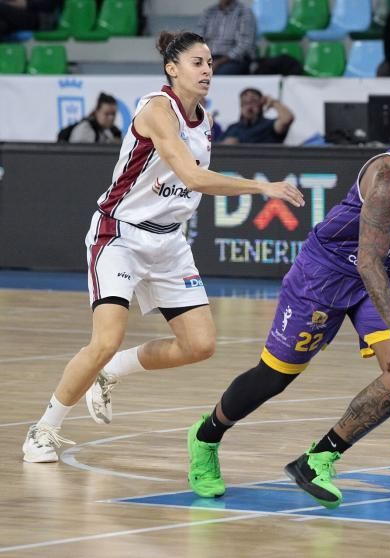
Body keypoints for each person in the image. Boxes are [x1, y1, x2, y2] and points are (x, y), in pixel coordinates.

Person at [184, 83, 390, 506]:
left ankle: (319, 458)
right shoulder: (389, 177)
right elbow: (366, 262)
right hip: (327, 273)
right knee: (275, 375)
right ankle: (206, 436)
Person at [21, 31, 304, 463]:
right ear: (172, 68)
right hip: (120, 234)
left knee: (200, 345)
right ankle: (44, 429)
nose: (207, 69)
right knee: (106, 339)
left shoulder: (204, 120)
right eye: (197, 62)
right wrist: (262, 187)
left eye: (210, 62)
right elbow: (193, 179)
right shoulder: (157, 109)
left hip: (168, 241)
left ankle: (112, 372)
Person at [199, 0, 256, 75]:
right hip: (210, 58)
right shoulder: (209, 12)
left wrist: (218, 62)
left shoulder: (244, 12)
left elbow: (245, 44)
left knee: (219, 75)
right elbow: (199, 40)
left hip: (234, 60)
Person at [220, 88, 294, 144]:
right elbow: (215, 148)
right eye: (245, 103)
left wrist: (273, 102)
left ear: (261, 105)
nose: (249, 107)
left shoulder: (269, 125)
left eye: (253, 102)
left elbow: (287, 119)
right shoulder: (233, 128)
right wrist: (226, 145)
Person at [57, 92, 122, 144]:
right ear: (97, 112)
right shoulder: (85, 130)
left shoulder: (113, 131)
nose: (111, 118)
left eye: (113, 114)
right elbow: (83, 157)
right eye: (106, 114)